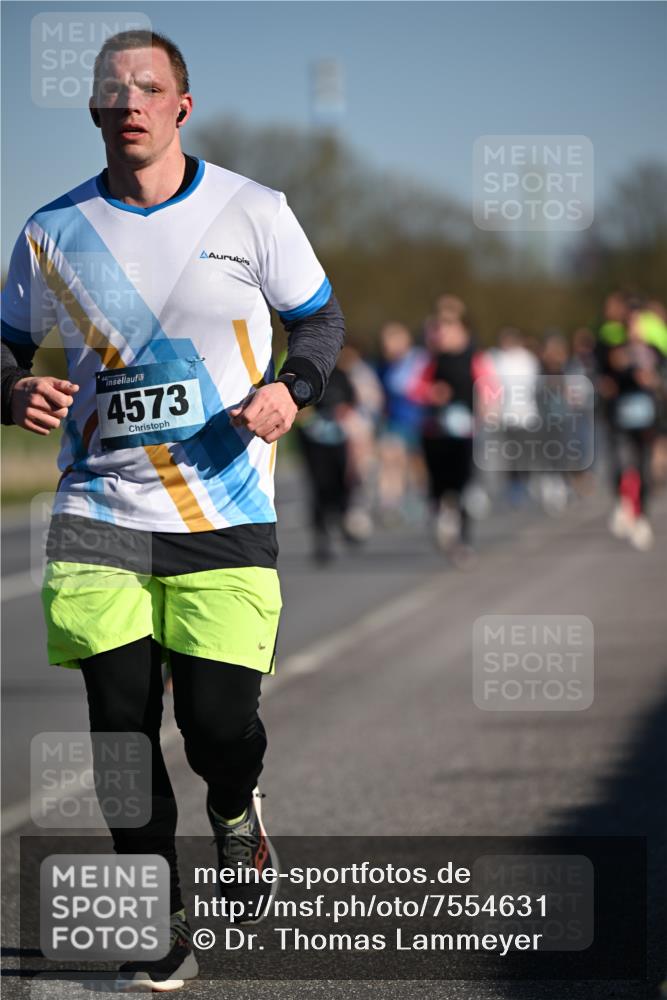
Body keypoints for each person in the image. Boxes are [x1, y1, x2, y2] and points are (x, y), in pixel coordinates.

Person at [1, 30, 344, 991]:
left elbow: (319, 319)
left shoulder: (252, 211)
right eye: (116, 91)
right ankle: (153, 911)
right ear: (97, 112)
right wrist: (10, 394)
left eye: (151, 87)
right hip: (99, 511)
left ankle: (235, 813)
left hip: (224, 506)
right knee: (117, 724)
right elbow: (3, 347)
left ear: (181, 106)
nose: (133, 102)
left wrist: (295, 386)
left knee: (218, 724)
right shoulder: (50, 229)